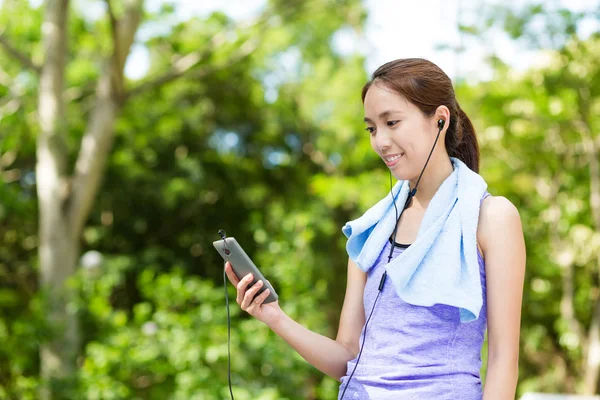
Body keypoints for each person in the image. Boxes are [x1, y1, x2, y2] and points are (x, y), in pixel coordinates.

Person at [224, 58, 526, 399]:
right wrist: (275, 317)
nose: (380, 141)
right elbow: (347, 356)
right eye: (371, 128)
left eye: (392, 122)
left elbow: (503, 360)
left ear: (440, 119)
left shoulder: (490, 217)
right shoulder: (372, 229)